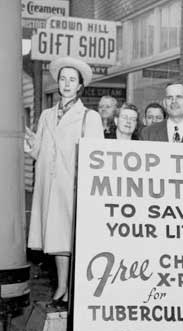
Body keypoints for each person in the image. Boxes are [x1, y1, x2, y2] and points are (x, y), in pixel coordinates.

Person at [25, 57, 104, 309]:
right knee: (58, 239)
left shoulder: (89, 117)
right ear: (57, 83)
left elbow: (97, 156)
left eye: (72, 80)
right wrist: (30, 145)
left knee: (74, 239)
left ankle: (75, 289)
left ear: (80, 85)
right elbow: (40, 151)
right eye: (63, 79)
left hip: (74, 186)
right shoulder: (47, 115)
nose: (67, 83)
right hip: (50, 186)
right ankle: (62, 286)